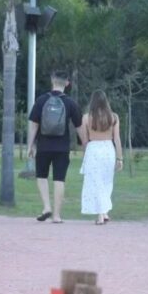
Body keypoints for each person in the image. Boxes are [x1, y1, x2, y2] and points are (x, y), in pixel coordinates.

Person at [27, 70, 86, 223]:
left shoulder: (41, 100)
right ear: (67, 83)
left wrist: (30, 145)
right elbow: (79, 126)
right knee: (59, 179)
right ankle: (57, 215)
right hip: (62, 147)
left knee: (41, 176)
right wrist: (86, 145)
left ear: (52, 81)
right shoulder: (70, 103)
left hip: (43, 146)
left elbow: (34, 125)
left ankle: (47, 207)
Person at [80, 90, 123, 225]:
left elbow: (85, 141)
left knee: (95, 182)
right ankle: (104, 212)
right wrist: (119, 158)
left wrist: (85, 155)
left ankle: (100, 214)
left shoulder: (86, 118)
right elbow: (117, 139)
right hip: (108, 150)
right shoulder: (114, 117)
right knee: (106, 182)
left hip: (93, 149)